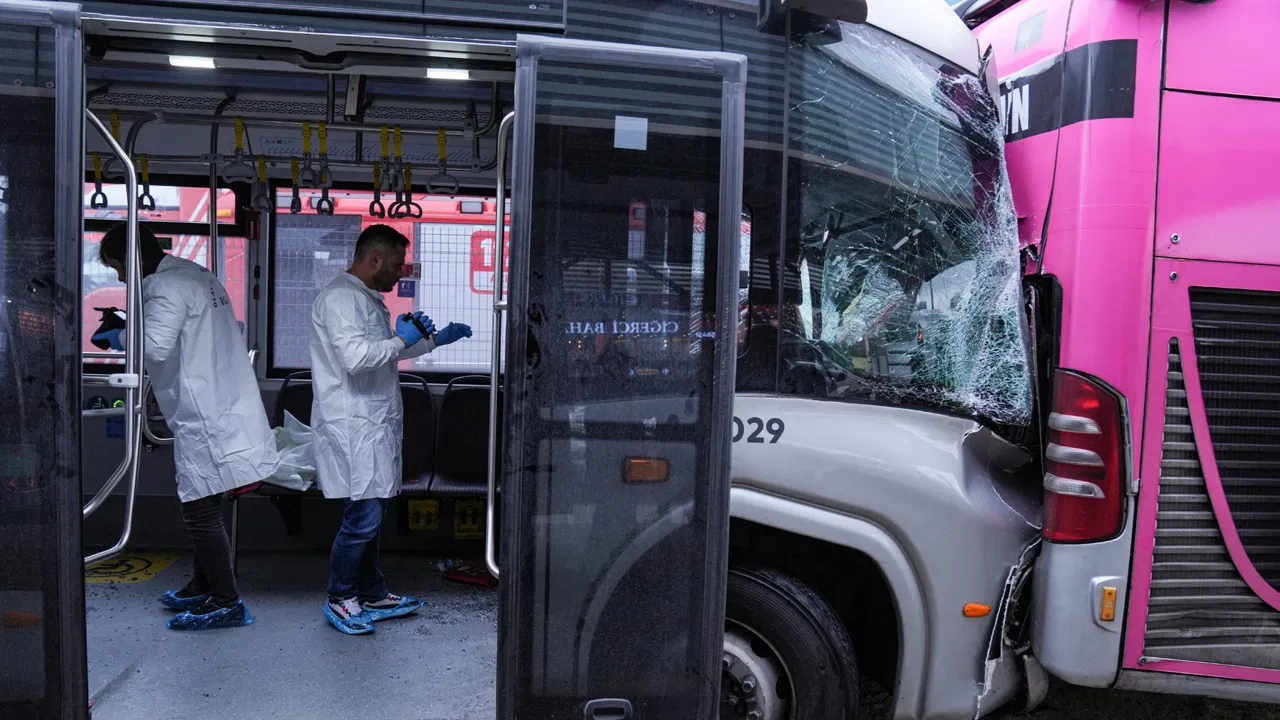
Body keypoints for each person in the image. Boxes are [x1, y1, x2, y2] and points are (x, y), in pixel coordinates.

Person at [94, 223, 279, 631]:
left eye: (119, 269)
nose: (122, 279)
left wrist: (119, 335)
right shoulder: (196, 275)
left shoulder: (164, 288)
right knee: (208, 501)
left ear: (133, 258)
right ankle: (203, 584)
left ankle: (227, 600)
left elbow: (155, 347)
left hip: (205, 416)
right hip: (224, 403)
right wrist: (131, 323)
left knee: (198, 510)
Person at [310, 224, 472, 635]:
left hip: (369, 422)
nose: (401, 273)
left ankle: (373, 592)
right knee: (362, 518)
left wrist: (431, 342)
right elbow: (357, 359)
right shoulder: (342, 299)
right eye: (397, 265)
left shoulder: (363, 297)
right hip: (352, 424)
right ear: (374, 259)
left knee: (371, 513)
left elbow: (382, 354)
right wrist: (402, 340)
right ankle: (340, 597)